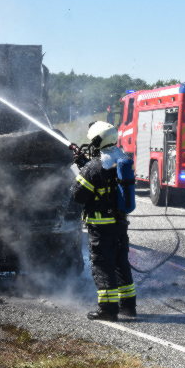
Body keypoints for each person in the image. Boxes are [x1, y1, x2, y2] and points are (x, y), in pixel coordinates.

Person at [71, 121, 136, 321]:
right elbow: (105, 178)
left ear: (98, 141)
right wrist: (85, 165)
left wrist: (83, 169)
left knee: (101, 265)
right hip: (119, 224)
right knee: (120, 263)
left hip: (100, 227)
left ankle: (107, 310)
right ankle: (128, 306)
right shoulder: (122, 159)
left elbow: (77, 196)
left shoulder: (93, 168)